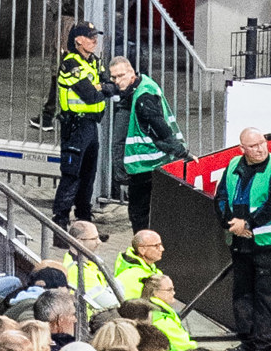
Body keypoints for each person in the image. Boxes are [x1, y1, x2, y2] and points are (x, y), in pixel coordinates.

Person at [218, 127, 271, 351]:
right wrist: (231, 224)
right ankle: (248, 342)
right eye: (253, 146)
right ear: (242, 148)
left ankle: (265, 345)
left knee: (267, 298)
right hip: (239, 242)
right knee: (242, 294)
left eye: (262, 143)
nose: (260, 149)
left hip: (268, 244)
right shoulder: (233, 165)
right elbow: (221, 197)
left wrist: (248, 224)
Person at [112, 54, 190, 231]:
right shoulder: (141, 86)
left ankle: (145, 245)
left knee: (140, 215)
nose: (117, 81)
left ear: (132, 74)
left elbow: (160, 131)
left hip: (145, 164)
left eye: (120, 76)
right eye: (114, 77)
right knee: (148, 214)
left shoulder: (142, 97)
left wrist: (182, 152)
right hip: (150, 164)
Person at [52, 23, 106, 224]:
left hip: (91, 126)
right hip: (75, 127)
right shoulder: (70, 64)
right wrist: (101, 88)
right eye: (90, 37)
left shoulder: (94, 62)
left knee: (88, 176)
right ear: (78, 40)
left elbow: (111, 85)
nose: (95, 41)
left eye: (95, 37)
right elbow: (91, 95)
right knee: (71, 175)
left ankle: (84, 223)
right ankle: (60, 222)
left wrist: (102, 87)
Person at [113, 229, 167, 300]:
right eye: (156, 246)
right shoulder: (131, 277)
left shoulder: (150, 269)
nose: (162, 249)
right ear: (142, 250)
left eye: (161, 244)